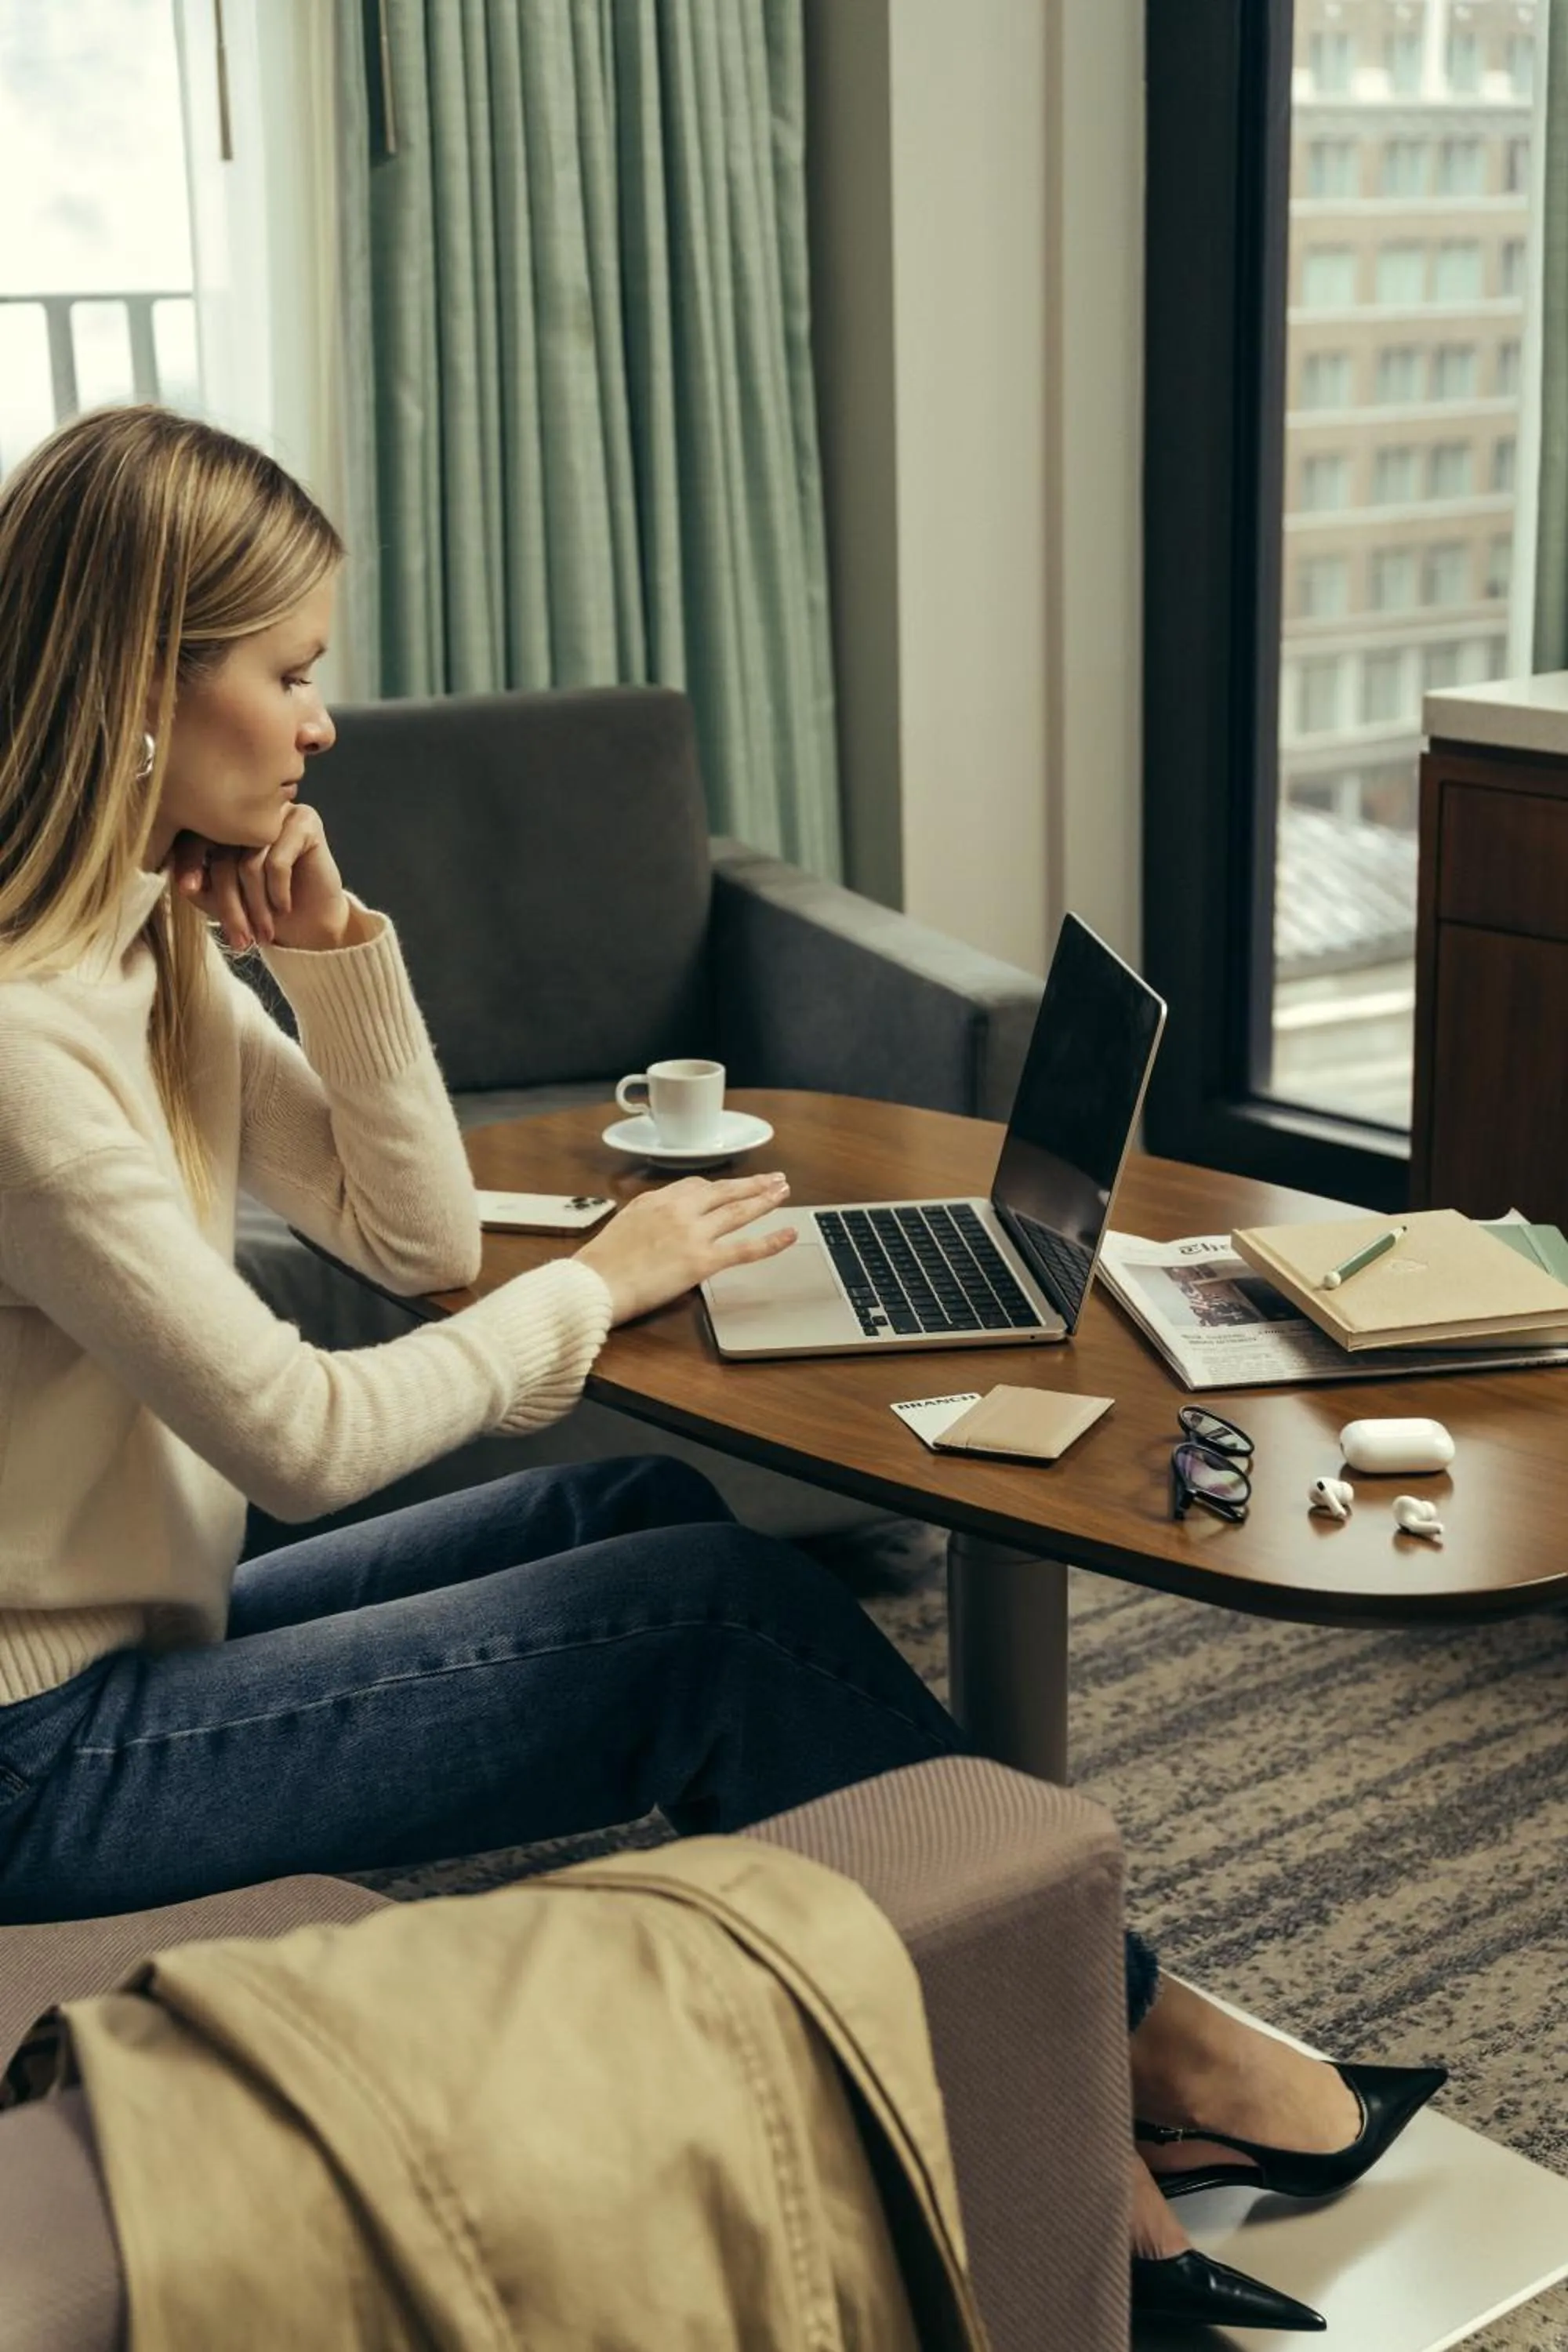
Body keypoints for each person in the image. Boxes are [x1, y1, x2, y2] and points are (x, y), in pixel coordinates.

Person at [0, 406, 1443, 2331]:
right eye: (287, 674)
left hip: (133, 1640)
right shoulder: (23, 1051)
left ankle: (1064, 2061)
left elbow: (417, 1244)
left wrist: (338, 953)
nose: (321, 721)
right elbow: (305, 1429)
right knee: (700, 1624)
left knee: (643, 1509)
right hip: (40, 1757)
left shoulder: (137, 956)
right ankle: (1130, 2083)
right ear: (135, 696)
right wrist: (606, 1279)